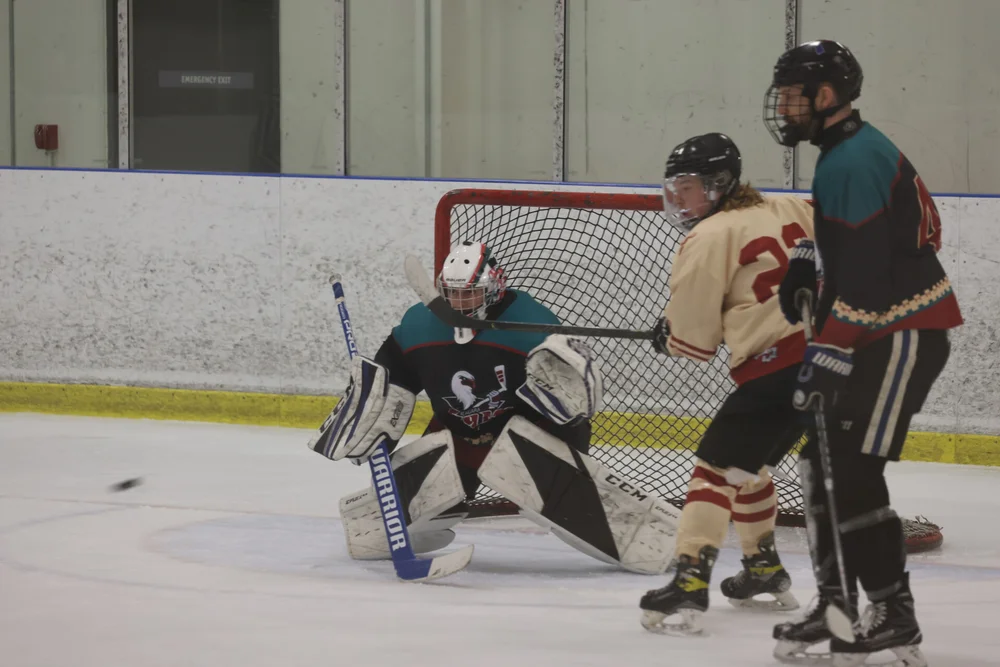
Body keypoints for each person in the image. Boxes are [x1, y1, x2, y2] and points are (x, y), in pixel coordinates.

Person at [764, 40, 963, 666]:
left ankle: (891, 614)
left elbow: (871, 279)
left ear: (825, 96)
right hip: (879, 331)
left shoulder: (851, 160)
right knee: (821, 469)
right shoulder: (849, 150)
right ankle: (836, 606)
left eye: (792, 96)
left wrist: (828, 351)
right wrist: (809, 257)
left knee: (848, 474)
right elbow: (863, 243)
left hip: (900, 335)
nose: (783, 108)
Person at [309, 241, 680, 575]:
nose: (460, 304)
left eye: (469, 294)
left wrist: (567, 424)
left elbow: (574, 409)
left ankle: (647, 535)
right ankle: (433, 505)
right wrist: (371, 411)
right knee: (370, 530)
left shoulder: (531, 324)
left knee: (521, 462)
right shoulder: (419, 326)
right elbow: (390, 382)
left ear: (493, 288)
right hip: (458, 435)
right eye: (452, 294)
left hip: (524, 439)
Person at [638, 132, 816, 636]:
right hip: (834, 361)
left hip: (779, 368)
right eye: (674, 188)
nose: (678, 199)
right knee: (747, 467)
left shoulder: (709, 236)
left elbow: (694, 342)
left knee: (714, 470)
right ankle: (762, 568)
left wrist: (671, 336)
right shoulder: (792, 207)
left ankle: (689, 582)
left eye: (688, 188)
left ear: (719, 184)